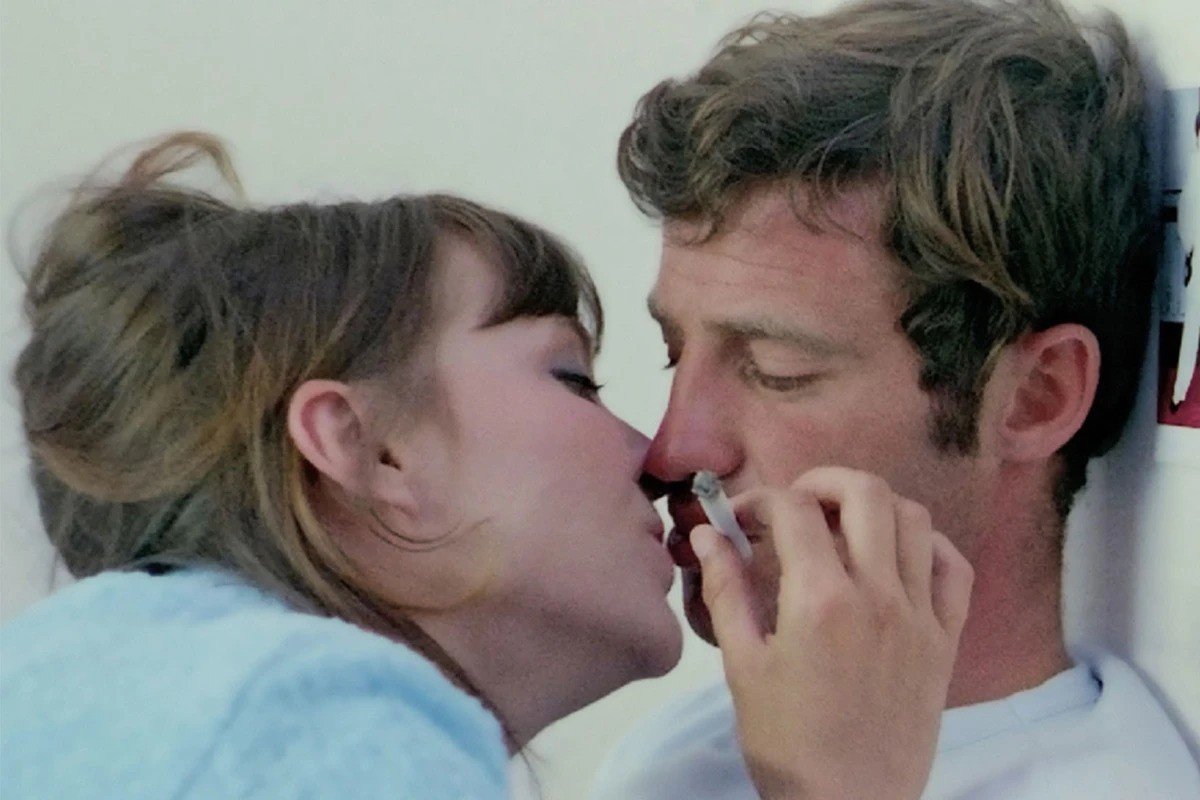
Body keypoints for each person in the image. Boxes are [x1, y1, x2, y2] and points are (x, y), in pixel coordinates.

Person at [0, 133, 973, 800]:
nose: (661, 454)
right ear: (373, 450)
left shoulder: (148, 696)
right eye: (573, 378)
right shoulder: (304, 715)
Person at [591, 0, 1200, 798]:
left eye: (776, 370)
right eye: (674, 353)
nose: (671, 451)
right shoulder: (673, 754)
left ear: (1035, 397)